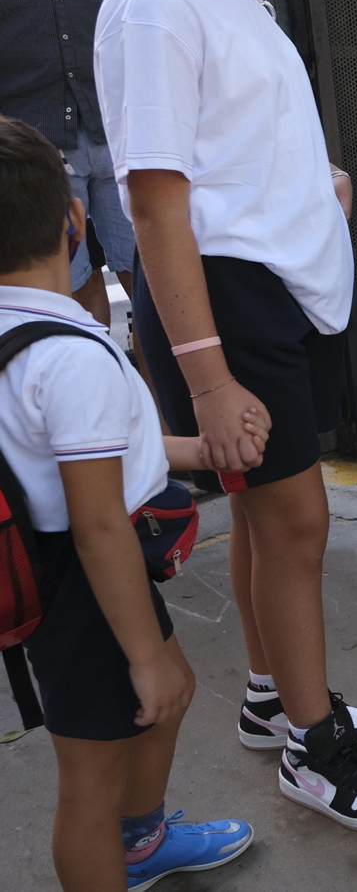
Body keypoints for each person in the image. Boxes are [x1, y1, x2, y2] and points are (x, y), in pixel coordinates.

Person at [94, 0, 357, 831]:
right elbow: (155, 206)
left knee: (266, 514)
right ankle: (314, 752)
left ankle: (274, 691)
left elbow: (228, 142)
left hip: (277, 280)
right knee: (298, 522)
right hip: (224, 298)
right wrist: (209, 378)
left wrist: (309, 182)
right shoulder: (152, 2)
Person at [0, 116, 255, 892]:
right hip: (83, 590)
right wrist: (140, 654)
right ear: (76, 220)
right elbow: (98, 519)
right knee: (90, 781)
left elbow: (80, 456)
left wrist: (194, 450)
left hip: (70, 579)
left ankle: (140, 843)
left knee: (168, 700)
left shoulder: (23, 336)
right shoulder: (68, 359)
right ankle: (124, 846)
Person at [1, 0, 141, 327]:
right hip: (32, 142)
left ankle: (156, 408)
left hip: (119, 126)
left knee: (155, 294)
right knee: (69, 305)